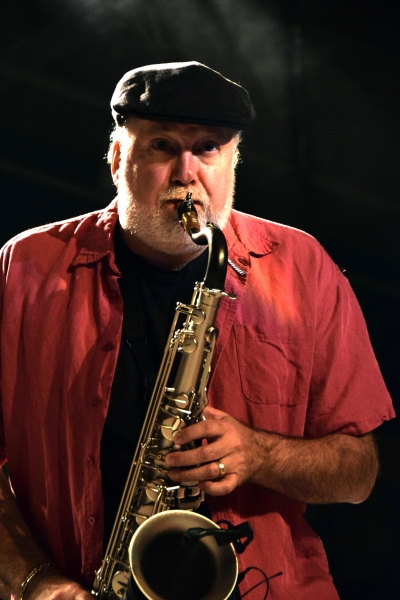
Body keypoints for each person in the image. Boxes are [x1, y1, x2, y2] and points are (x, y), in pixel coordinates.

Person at [0, 61, 394, 600]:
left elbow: (359, 474)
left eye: (208, 148)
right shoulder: (26, 267)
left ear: (233, 162)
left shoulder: (305, 268)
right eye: (162, 146)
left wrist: (259, 453)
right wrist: (36, 582)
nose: (186, 174)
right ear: (117, 158)